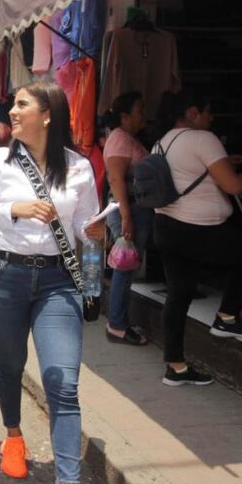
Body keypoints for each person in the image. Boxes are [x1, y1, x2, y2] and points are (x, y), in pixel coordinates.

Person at [0, 81, 106, 484]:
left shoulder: (79, 167)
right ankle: (13, 435)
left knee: (62, 381)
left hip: (58, 281)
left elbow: (84, 226)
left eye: (21, 104)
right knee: (10, 365)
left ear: (47, 114)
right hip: (4, 276)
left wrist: (96, 233)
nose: (12, 110)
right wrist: (15, 209)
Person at [153, 89, 242, 386]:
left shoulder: (162, 142)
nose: (212, 118)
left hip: (166, 226)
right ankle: (227, 317)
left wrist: (226, 162)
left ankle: (175, 367)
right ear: (193, 112)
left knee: (178, 295)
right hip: (197, 228)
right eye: (208, 111)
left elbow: (190, 171)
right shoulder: (203, 138)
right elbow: (235, 186)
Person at [102, 92, 152, 346]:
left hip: (131, 209)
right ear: (125, 116)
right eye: (139, 109)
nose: (143, 115)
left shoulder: (124, 138)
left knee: (126, 268)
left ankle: (119, 322)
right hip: (129, 210)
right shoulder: (120, 139)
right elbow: (115, 178)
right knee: (124, 268)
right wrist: (126, 217)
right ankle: (117, 326)